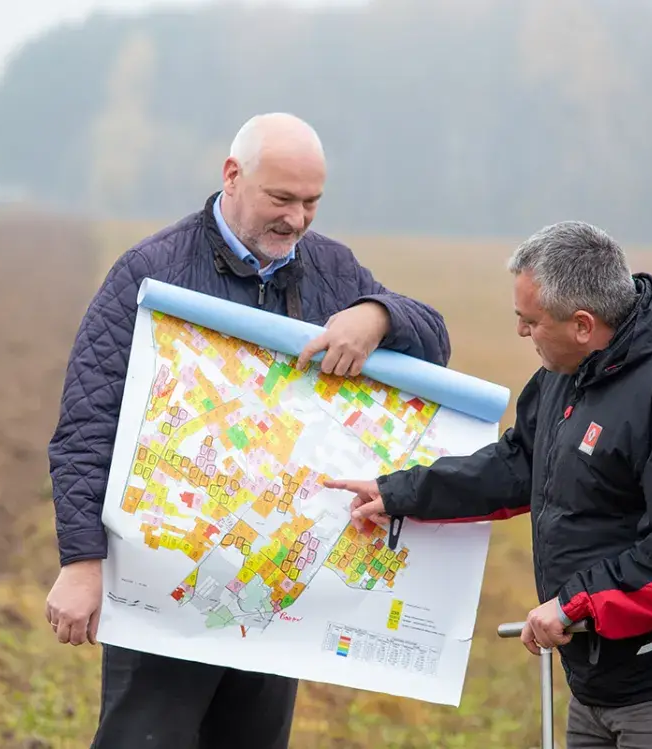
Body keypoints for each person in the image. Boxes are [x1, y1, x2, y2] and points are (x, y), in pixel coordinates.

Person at [43, 112, 452, 748]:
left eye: (312, 203)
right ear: (232, 176)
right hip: (162, 581)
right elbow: (87, 424)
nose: (296, 219)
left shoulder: (329, 271)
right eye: (281, 199)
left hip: (272, 594)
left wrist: (376, 315)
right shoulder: (150, 273)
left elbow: (434, 341)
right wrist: (81, 560)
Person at [326, 221, 652, 748]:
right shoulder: (570, 372)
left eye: (529, 321)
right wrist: (400, 493)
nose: (521, 333)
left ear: (583, 323)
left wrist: (575, 604)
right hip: (598, 682)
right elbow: (520, 465)